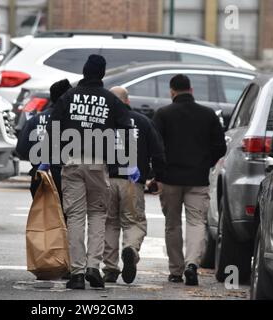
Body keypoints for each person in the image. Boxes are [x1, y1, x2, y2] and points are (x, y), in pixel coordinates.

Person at [42, 55, 134, 290]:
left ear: (84, 71)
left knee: (74, 216)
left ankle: (77, 273)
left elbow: (53, 126)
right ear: (102, 74)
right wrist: (126, 162)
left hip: (72, 161)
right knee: (97, 214)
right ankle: (94, 267)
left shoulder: (68, 96)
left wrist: (49, 159)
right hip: (99, 163)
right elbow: (126, 128)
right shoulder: (111, 99)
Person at [152, 74, 227, 286]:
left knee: (172, 224)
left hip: (170, 178)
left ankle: (175, 270)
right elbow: (220, 146)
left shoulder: (163, 114)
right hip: (198, 178)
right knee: (196, 222)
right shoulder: (208, 114)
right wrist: (205, 163)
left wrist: (157, 173)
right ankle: (192, 264)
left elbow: (156, 147)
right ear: (191, 90)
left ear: (172, 91)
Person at [103, 87, 166, 284]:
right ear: (127, 101)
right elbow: (158, 152)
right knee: (134, 222)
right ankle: (130, 249)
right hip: (133, 182)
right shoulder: (143, 122)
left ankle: (110, 268)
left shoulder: (104, 121)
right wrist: (158, 176)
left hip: (107, 179)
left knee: (109, 223)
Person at [15, 79, 72, 200]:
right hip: (66, 176)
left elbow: (21, 149)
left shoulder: (35, 119)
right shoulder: (72, 121)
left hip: (40, 176)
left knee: (43, 216)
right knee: (66, 216)